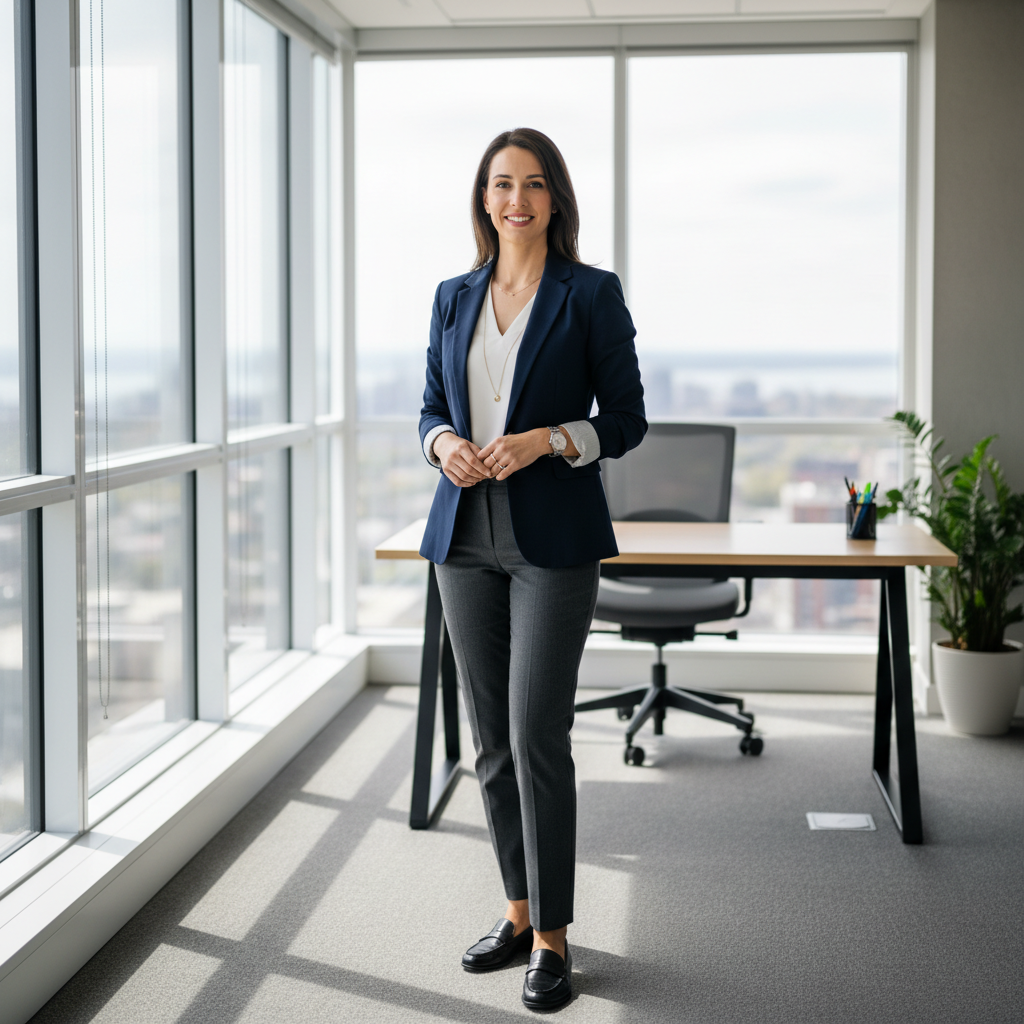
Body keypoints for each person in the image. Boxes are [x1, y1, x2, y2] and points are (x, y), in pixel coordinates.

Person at [418, 127, 646, 1012]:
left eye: (535, 184)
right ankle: (517, 910)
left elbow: (625, 421)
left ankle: (553, 937)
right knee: (489, 740)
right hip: (463, 536)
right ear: (484, 198)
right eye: (502, 184)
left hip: (554, 536)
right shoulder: (451, 295)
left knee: (536, 734)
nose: (518, 199)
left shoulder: (589, 294)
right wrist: (443, 446)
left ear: (555, 200)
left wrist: (547, 440)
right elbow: (432, 405)